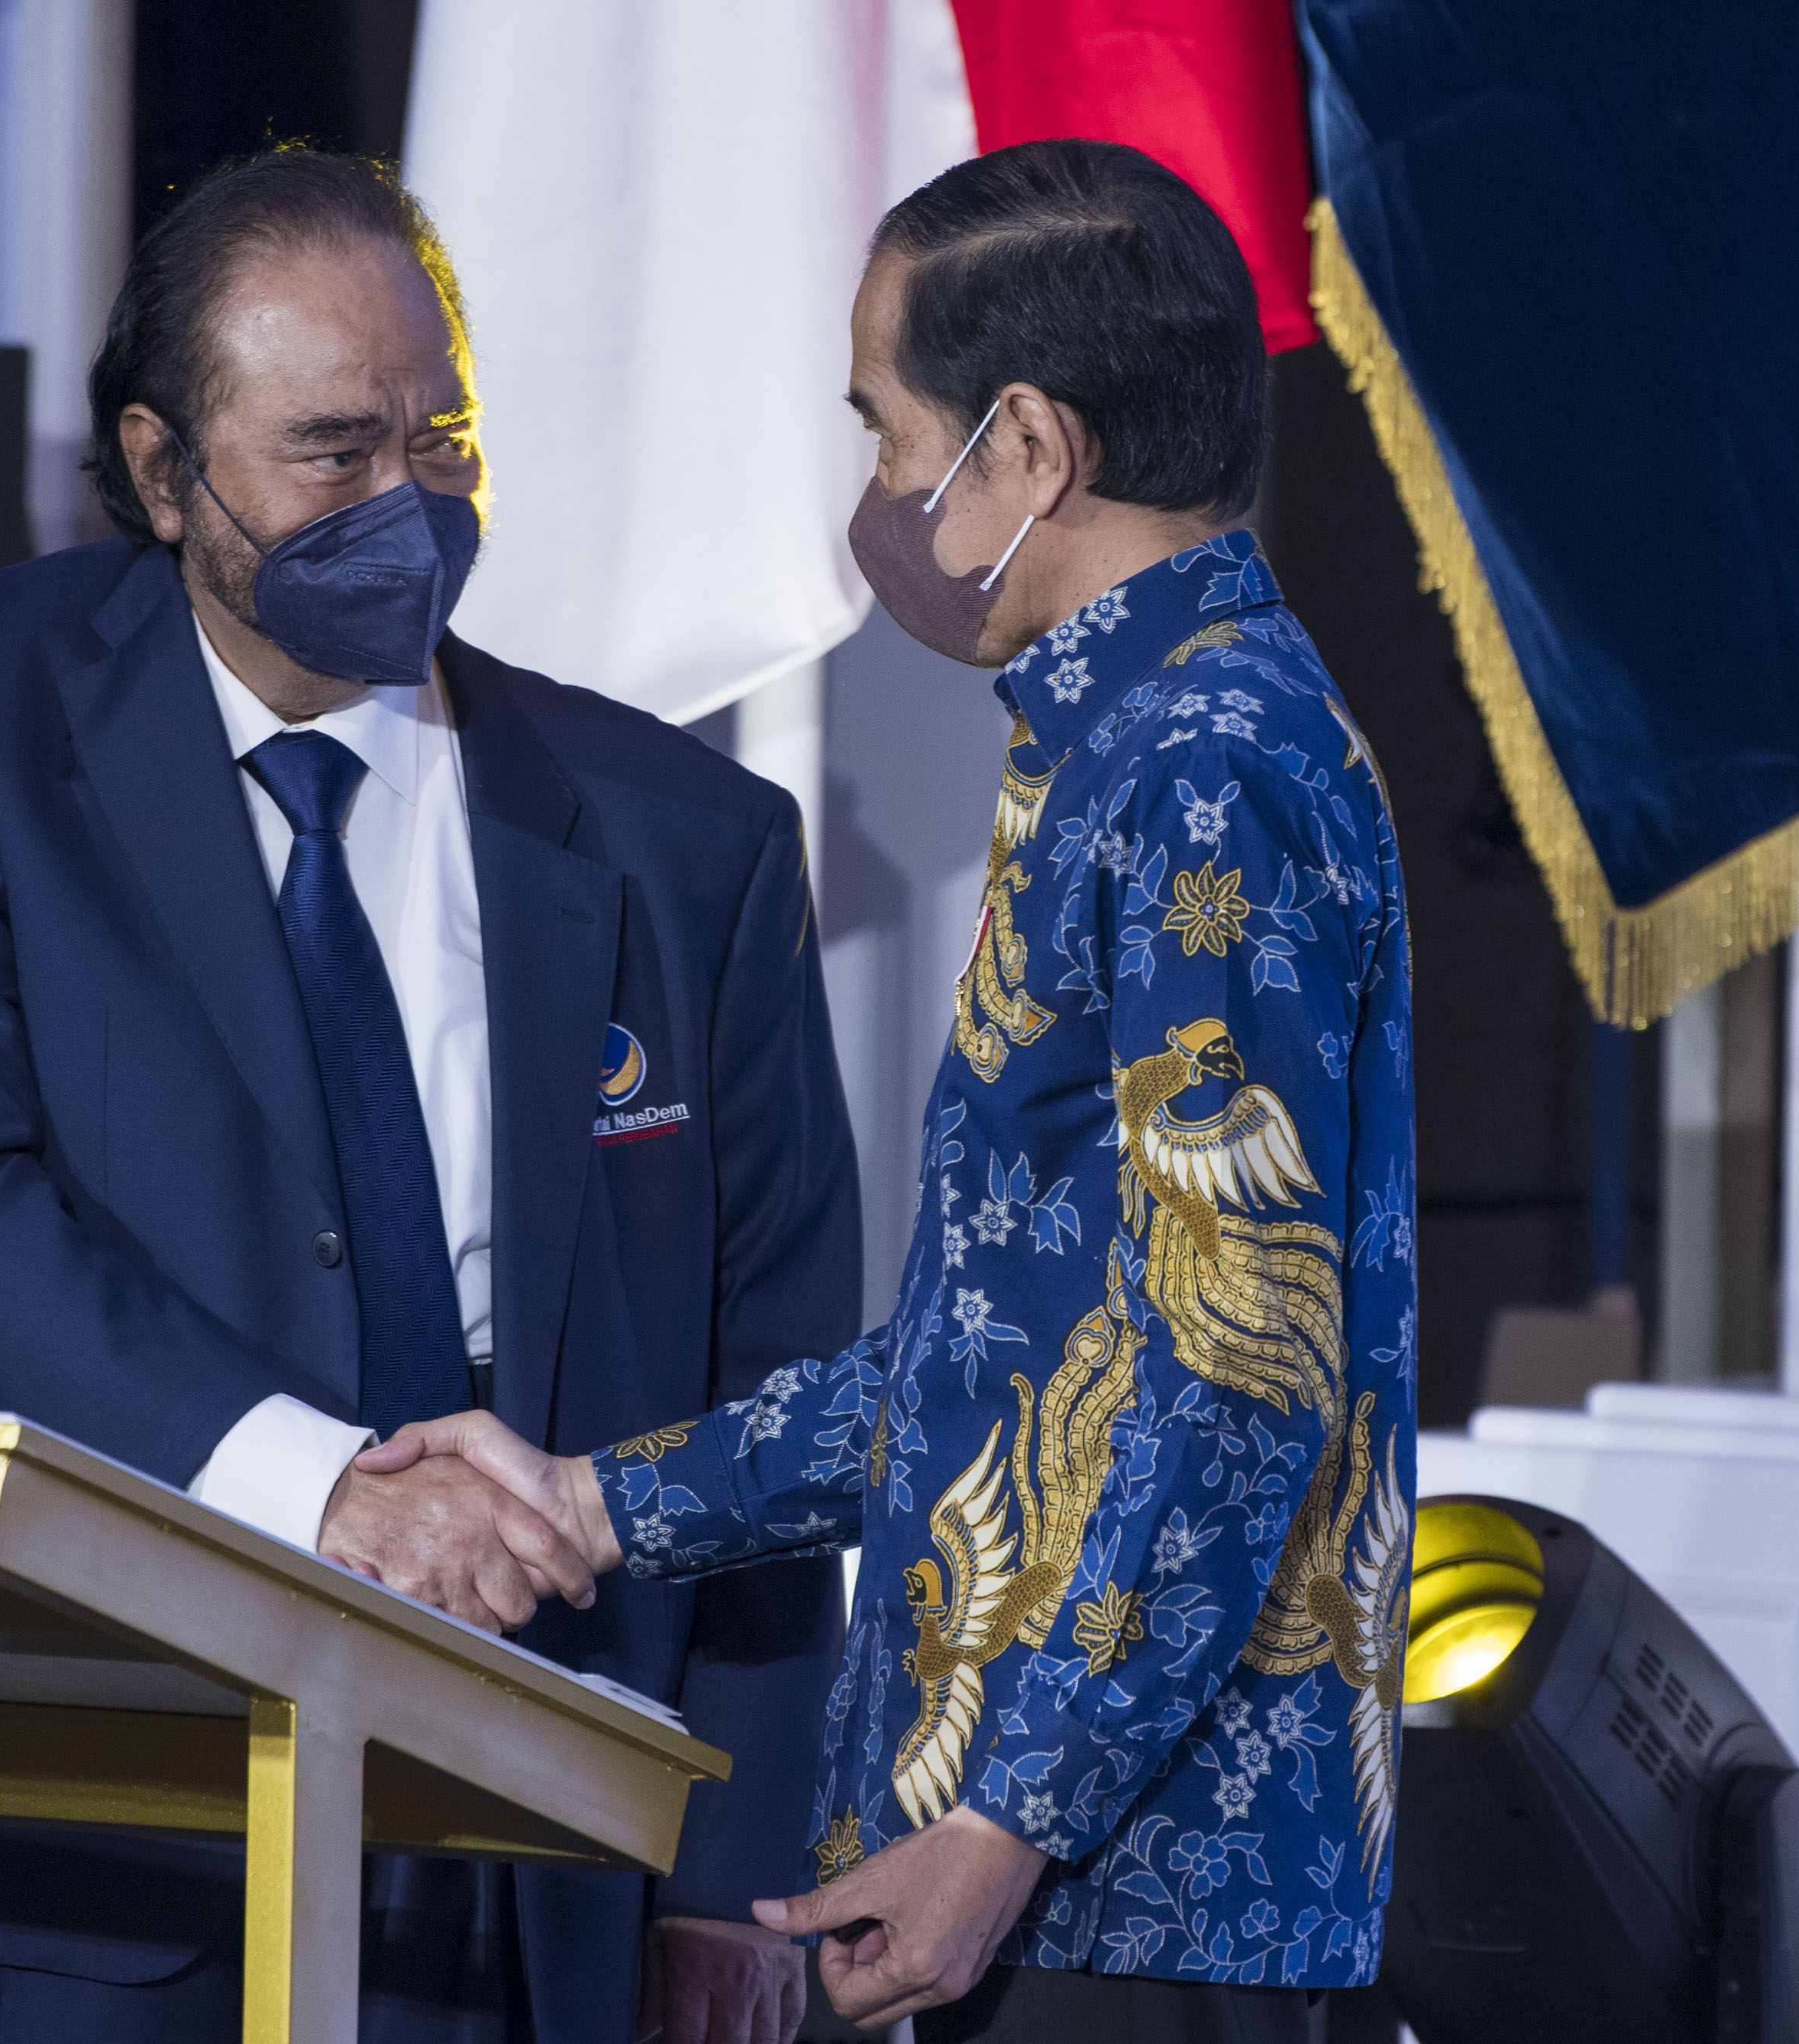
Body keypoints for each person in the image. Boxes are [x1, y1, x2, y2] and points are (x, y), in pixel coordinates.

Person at [360, 139, 1417, 2044]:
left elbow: (1234, 1363)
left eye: (887, 434)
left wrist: (1013, 1809)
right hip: (1060, 1866)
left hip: (1133, 1880)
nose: (878, 493)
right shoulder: (1126, 741)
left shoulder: (1201, 767)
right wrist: (598, 1501)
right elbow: (992, 1351)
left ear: (1023, 449)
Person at [0, 147, 857, 2044]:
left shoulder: (689, 843)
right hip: (92, 1852)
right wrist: (333, 1498)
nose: (405, 499)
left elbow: (770, 1373)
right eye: (331, 449)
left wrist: (735, 1870)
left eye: (439, 434)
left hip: (539, 1868)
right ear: (158, 469)